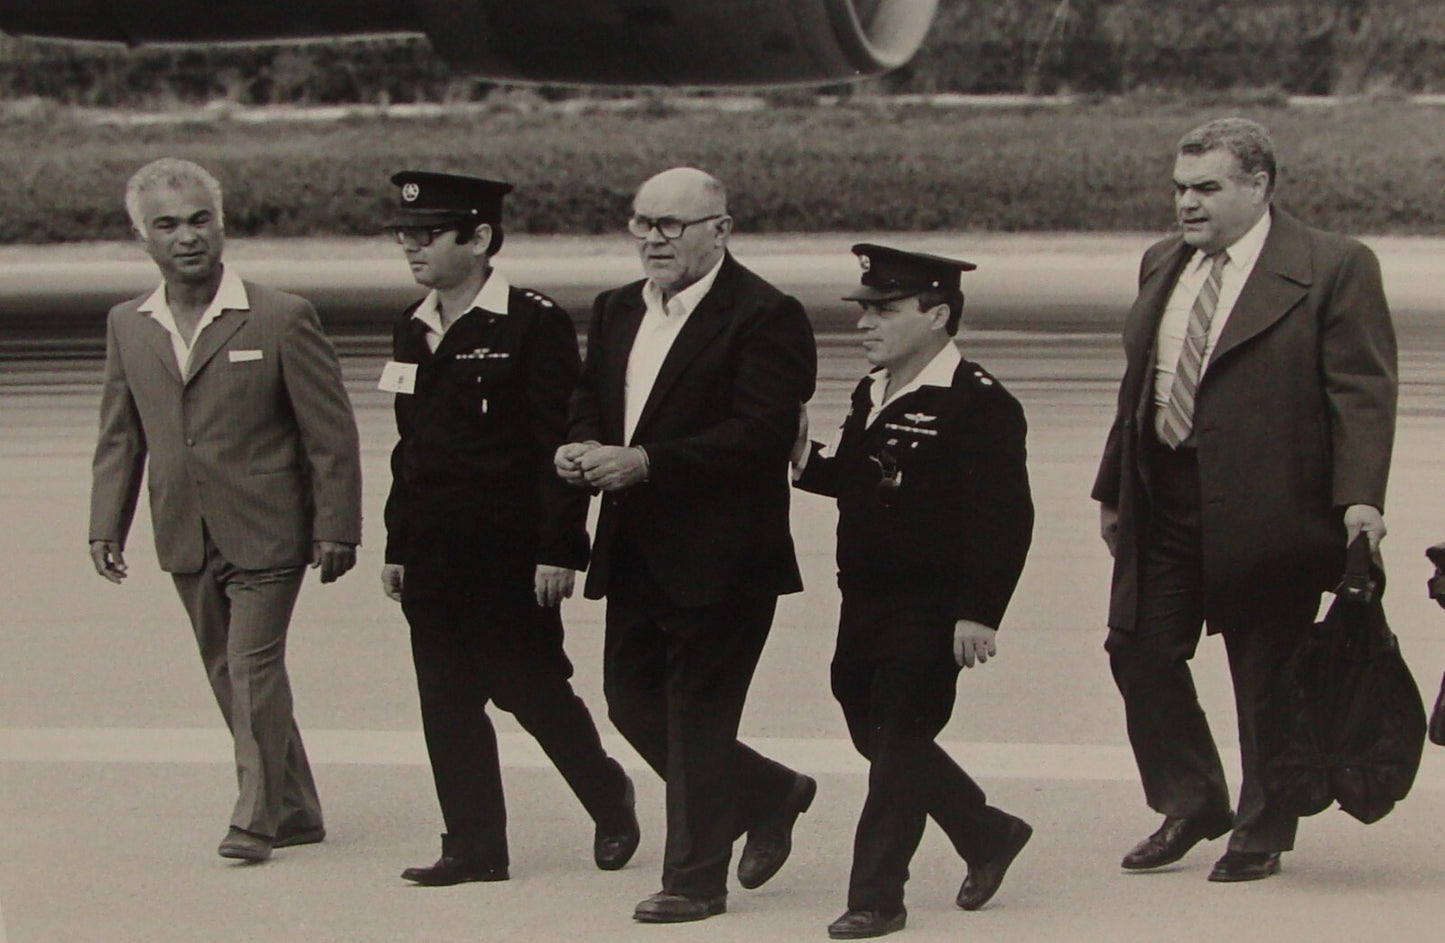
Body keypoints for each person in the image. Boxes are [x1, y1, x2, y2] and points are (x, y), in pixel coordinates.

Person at [1092, 117, 1397, 882]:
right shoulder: (1162, 262)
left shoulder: (1332, 266)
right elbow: (1140, 387)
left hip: (1273, 502)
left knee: (1265, 671)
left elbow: (1360, 393)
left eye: (1205, 188)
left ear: (1257, 186)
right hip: (1164, 496)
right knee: (1137, 649)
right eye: (1178, 188)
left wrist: (1358, 499)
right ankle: (1193, 799)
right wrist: (1111, 488)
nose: (1185, 204)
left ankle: (1262, 827)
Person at [554, 166, 818, 923]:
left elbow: (761, 432)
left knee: (698, 717)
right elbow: (587, 397)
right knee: (631, 703)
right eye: (642, 223)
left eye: (671, 225)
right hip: (632, 547)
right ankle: (771, 792)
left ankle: (694, 879)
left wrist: (646, 462)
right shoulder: (613, 311)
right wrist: (578, 445)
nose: (653, 240)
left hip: (725, 553)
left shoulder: (765, 314)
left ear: (720, 230)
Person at [88, 157, 363, 862]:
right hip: (183, 528)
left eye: (199, 219)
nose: (187, 237)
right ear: (143, 239)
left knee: (251, 668)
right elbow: (121, 434)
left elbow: (328, 433)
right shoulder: (129, 323)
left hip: (269, 528)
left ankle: (255, 817)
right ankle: (297, 806)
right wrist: (105, 523)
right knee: (225, 670)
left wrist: (337, 525)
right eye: (167, 225)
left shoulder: (279, 315)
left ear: (223, 222)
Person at [379, 171, 640, 886]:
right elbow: (411, 448)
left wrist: (558, 547)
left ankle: (607, 795)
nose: (411, 247)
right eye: (405, 234)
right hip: (433, 552)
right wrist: (398, 543)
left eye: (426, 235)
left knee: (530, 689)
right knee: (445, 699)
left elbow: (558, 445)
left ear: (481, 238)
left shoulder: (533, 323)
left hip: (507, 552)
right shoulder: (413, 324)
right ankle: (473, 845)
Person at [792, 245, 1035, 939]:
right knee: (862, 717)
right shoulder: (874, 388)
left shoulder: (978, 404)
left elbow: (1005, 520)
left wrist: (978, 613)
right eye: (864, 308)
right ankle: (986, 831)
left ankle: (876, 896)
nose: (864, 323)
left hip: (932, 607)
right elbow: (862, 478)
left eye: (883, 309)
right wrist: (805, 461)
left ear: (935, 315)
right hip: (863, 598)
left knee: (897, 739)